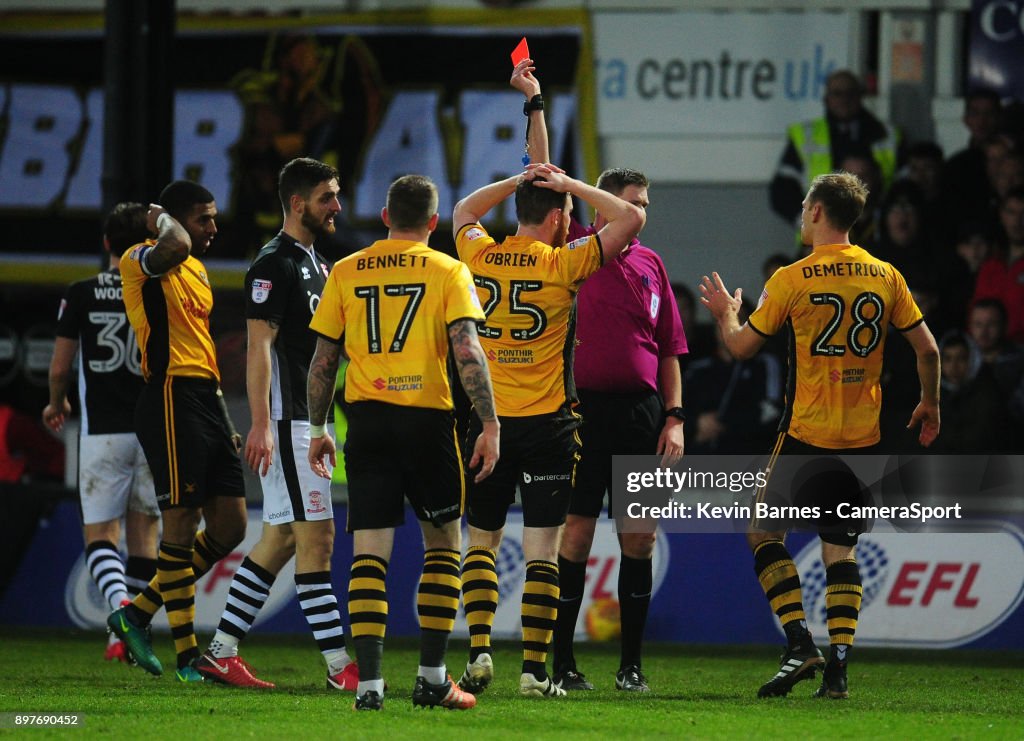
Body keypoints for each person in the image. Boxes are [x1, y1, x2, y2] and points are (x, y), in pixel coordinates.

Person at [700, 172, 940, 700]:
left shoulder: (793, 278)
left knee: (763, 534)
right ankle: (838, 667)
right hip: (863, 439)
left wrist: (726, 314)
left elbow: (741, 348)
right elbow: (928, 351)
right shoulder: (886, 276)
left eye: (805, 205)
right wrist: (931, 404)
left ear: (815, 212)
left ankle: (798, 642)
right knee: (842, 552)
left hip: (807, 435)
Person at [508, 59, 687, 693]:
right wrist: (535, 104)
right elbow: (541, 175)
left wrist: (674, 417)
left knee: (637, 539)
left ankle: (631, 664)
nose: (640, 213)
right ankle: (562, 663)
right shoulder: (573, 248)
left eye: (643, 204)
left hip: (641, 413)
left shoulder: (653, 265)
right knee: (575, 538)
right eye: (631, 203)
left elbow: (668, 348)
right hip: (579, 413)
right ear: (605, 203)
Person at [451, 149, 645, 699]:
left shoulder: (481, 256)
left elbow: (464, 210)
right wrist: (572, 184)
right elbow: (631, 220)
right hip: (549, 425)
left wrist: (521, 178)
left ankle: (480, 649)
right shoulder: (564, 264)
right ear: (559, 219)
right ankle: (536, 672)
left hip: (490, 424)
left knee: (482, 542)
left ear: (518, 208)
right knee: (542, 551)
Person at [307, 174, 500, 711]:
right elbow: (467, 351)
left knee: (369, 553)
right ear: (434, 224)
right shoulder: (448, 269)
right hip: (426, 421)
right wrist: (490, 423)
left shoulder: (345, 270)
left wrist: (318, 428)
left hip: (365, 421)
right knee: (443, 545)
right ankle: (432, 677)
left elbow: (323, 361)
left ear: (386, 216)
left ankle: (369, 687)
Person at [194, 158, 356, 689]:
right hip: (289, 423)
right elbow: (260, 346)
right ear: (297, 203)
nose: (337, 205)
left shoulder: (316, 262)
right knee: (317, 541)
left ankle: (219, 652)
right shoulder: (273, 263)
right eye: (328, 196)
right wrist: (262, 422)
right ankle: (340, 668)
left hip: (306, 422)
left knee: (283, 539)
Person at [107, 181, 248, 682]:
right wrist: (156, 220)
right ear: (173, 220)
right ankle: (188, 655)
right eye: (204, 218)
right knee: (181, 523)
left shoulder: (197, 269)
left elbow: (204, 345)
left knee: (232, 526)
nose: (214, 227)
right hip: (167, 395)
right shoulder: (140, 259)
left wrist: (227, 420)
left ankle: (137, 612)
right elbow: (175, 244)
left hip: (204, 399)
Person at [42, 202, 160, 664]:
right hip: (152, 430)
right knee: (145, 538)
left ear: (107, 244)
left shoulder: (82, 291)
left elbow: (59, 366)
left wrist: (57, 402)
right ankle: (127, 635)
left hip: (102, 433)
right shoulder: (158, 290)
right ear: (148, 244)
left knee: (100, 537)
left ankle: (120, 611)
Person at [769, 70, 899, 229]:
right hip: (822, 241)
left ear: (860, 97)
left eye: (850, 93)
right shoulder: (805, 136)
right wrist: (810, 227)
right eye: (837, 93)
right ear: (826, 99)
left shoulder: (888, 135)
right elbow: (781, 192)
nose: (844, 99)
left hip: (875, 233)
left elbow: (904, 190)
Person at [973, 187, 1024, 342]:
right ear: (1002, 215)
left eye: (1023, 213)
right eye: (1011, 212)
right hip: (985, 352)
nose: (1018, 220)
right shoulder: (990, 264)